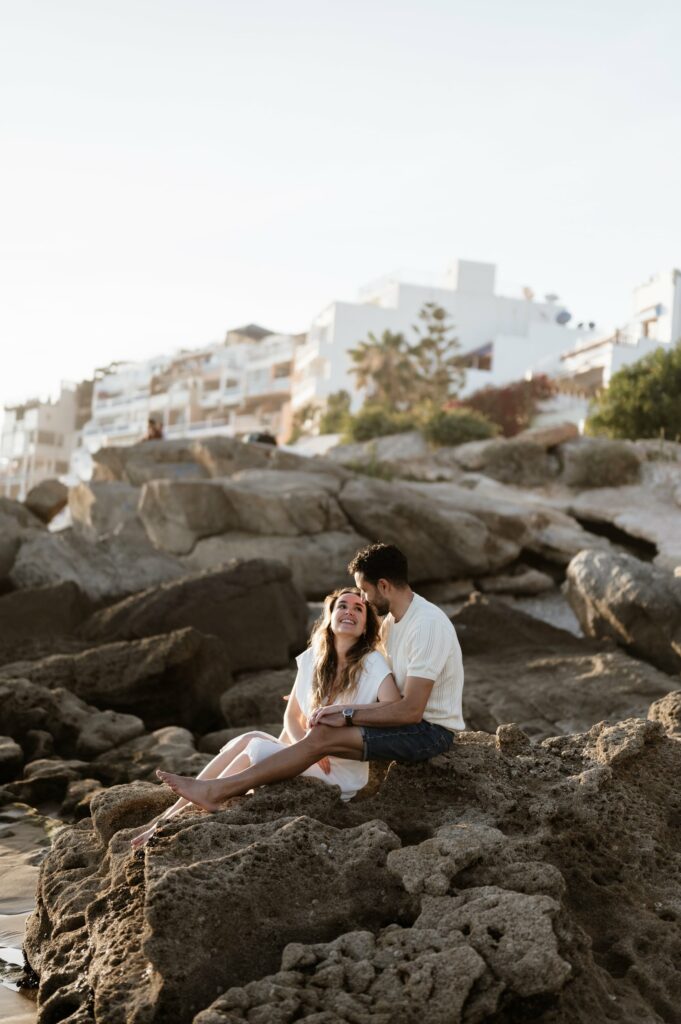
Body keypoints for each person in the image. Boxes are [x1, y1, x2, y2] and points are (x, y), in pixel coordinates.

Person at [154, 543, 464, 812]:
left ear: (383, 586)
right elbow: (366, 672)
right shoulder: (391, 624)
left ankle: (217, 791)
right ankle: (206, 793)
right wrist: (323, 697)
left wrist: (347, 714)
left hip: (429, 732)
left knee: (324, 735)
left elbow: (410, 710)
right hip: (404, 719)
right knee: (323, 728)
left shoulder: (427, 625)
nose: (363, 600)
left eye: (365, 592)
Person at [131, 587, 398, 848]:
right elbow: (291, 717)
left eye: (358, 608)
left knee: (256, 747)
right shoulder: (313, 660)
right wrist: (307, 748)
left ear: (365, 626)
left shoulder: (372, 663)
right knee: (247, 738)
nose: (349, 611)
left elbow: (393, 706)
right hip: (304, 754)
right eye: (342, 605)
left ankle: (202, 799)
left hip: (341, 770)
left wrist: (333, 732)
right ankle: (168, 816)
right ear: (329, 618)